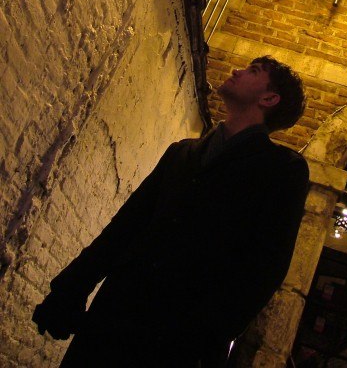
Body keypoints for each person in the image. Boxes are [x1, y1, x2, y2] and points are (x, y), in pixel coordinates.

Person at [33, 56, 309, 367]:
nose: (237, 70)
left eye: (253, 71)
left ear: (269, 98)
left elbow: (264, 268)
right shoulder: (182, 153)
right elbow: (125, 227)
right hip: (114, 317)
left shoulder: (282, 169)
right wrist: (69, 289)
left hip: (177, 344)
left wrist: (202, 337)